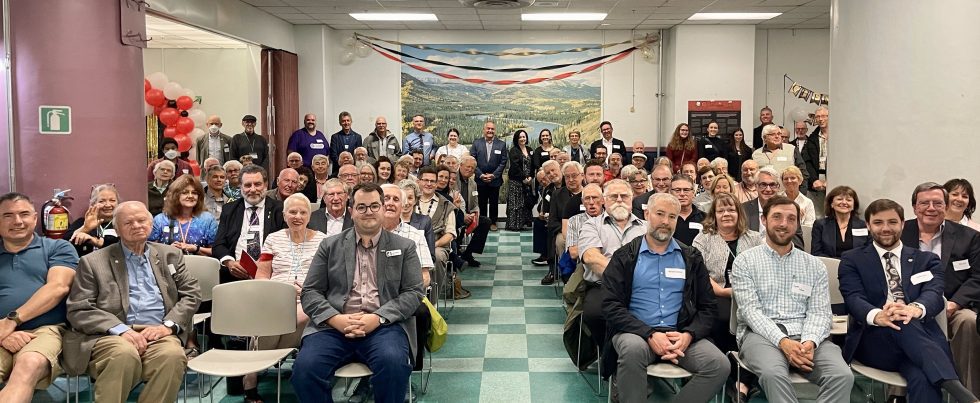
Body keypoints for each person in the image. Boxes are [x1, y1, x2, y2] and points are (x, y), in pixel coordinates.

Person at [291, 183, 424, 403]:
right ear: (351, 211)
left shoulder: (404, 247)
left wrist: (378, 318)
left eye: (374, 206)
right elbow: (310, 292)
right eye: (361, 207)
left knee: (394, 366)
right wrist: (336, 319)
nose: (368, 212)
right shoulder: (329, 246)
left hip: (384, 327)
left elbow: (413, 292)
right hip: (333, 327)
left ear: (383, 209)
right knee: (304, 371)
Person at [839, 198, 980, 403]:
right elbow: (853, 297)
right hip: (874, 342)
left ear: (903, 224)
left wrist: (914, 309)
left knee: (924, 378)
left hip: (919, 343)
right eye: (878, 222)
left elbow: (934, 293)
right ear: (868, 225)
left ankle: (953, 387)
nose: (886, 228)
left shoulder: (926, 260)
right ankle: (959, 391)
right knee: (899, 318)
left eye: (892, 222)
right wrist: (878, 315)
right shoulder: (852, 260)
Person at [64, 201, 200, 403]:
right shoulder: (93, 262)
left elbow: (191, 294)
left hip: (158, 331)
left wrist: (168, 327)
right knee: (122, 354)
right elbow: (79, 309)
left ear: (151, 224)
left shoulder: (169, 255)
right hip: (111, 335)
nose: (137, 225)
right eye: (128, 222)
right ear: (117, 230)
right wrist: (120, 330)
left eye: (142, 220)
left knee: (172, 356)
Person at [602, 192, 729, 403]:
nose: (665, 221)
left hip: (680, 334)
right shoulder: (625, 257)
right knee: (632, 351)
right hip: (636, 333)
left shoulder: (691, 257)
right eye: (660, 214)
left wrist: (688, 335)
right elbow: (609, 305)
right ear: (646, 214)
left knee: (719, 364)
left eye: (672, 217)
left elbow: (708, 307)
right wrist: (649, 334)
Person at [731, 196, 854, 403]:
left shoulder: (814, 266)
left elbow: (820, 312)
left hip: (807, 336)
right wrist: (783, 342)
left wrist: (809, 342)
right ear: (764, 220)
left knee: (841, 375)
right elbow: (751, 313)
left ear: (798, 223)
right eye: (777, 217)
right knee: (774, 375)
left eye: (791, 219)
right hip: (761, 336)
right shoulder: (745, 261)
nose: (783, 224)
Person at [244, 193, 327, 402]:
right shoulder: (273, 239)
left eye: (302, 212)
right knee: (274, 318)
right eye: (292, 212)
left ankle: (253, 370)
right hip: (276, 298)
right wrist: (274, 293)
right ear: (284, 215)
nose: (297, 216)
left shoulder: (323, 241)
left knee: (286, 320)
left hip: (308, 300)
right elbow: (261, 276)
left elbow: (329, 279)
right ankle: (260, 368)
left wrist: (309, 292)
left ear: (310, 215)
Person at [901, 182, 980, 397]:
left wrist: (955, 304)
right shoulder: (899, 231)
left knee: (969, 322)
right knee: (900, 322)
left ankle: (967, 391)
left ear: (945, 206)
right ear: (915, 207)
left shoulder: (969, 236)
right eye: (924, 203)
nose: (931, 208)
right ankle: (898, 392)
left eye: (937, 203)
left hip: (953, 305)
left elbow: (977, 277)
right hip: (908, 306)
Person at [0, 193, 77, 403]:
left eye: (24, 214)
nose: (17, 221)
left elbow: (58, 288)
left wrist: (12, 321)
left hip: (46, 330)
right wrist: (5, 331)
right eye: (8, 215)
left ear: (35, 219)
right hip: (0, 330)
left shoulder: (58, 247)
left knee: (28, 365)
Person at [692, 192, 763, 400]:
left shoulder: (754, 238)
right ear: (713, 215)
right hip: (716, 294)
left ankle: (743, 382)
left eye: (731, 209)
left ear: (739, 213)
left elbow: (763, 269)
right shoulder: (704, 238)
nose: (726, 214)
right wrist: (723, 291)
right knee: (722, 319)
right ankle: (733, 377)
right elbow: (699, 272)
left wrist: (743, 291)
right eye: (720, 210)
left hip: (750, 295)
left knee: (753, 322)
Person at [579, 179, 648, 352]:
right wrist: (626, 276)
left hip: (642, 288)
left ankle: (638, 352)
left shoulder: (646, 228)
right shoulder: (592, 225)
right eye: (613, 196)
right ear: (604, 200)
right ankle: (609, 354)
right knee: (594, 314)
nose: (619, 200)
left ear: (631, 199)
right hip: (603, 286)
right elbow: (591, 257)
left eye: (624, 196)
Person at [212, 164, 286, 284]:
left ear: (266, 185)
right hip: (234, 275)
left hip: (271, 275)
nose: (252, 189)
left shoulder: (280, 210)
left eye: (257, 184)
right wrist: (230, 262)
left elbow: (285, 245)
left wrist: (265, 265)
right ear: (240, 187)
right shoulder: (229, 209)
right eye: (247, 185)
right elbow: (219, 244)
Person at [417, 167, 465, 300]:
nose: (429, 184)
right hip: (411, 245)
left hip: (438, 244)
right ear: (418, 181)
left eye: (433, 181)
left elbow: (450, 234)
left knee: (437, 256)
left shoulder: (446, 205)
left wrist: (432, 245)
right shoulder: (411, 202)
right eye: (425, 180)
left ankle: (431, 301)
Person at [149, 174, 218, 257]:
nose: (190, 196)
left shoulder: (207, 219)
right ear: (175, 196)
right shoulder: (160, 220)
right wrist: (168, 250)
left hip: (200, 266)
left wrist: (196, 248)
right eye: (185, 193)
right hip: (168, 266)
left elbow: (216, 251)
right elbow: (150, 250)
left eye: (194, 193)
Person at [742, 166, 804, 249]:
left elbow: (798, 246)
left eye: (772, 185)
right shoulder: (743, 209)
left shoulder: (790, 210)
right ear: (756, 186)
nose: (768, 189)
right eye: (763, 185)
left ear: (778, 188)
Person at [810, 185, 868, 258]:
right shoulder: (820, 225)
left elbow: (868, 253)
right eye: (839, 199)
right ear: (832, 204)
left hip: (856, 268)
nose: (844, 202)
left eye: (848, 200)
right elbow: (816, 253)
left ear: (854, 205)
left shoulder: (863, 226)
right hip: (829, 266)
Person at [470, 120, 507, 231]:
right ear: (484, 130)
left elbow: (503, 161)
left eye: (492, 129)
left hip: (494, 180)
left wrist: (493, 175)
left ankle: (493, 222)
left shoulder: (501, 144)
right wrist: (481, 175)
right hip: (480, 180)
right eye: (488, 128)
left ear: (495, 131)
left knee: (494, 202)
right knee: (481, 201)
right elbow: (472, 160)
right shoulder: (477, 143)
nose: (490, 131)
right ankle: (483, 222)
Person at [64, 184, 120, 257]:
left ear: (118, 203)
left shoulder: (122, 223)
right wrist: (85, 229)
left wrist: (96, 241)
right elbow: (65, 244)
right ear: (93, 204)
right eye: (102, 201)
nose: (108, 205)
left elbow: (123, 245)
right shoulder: (82, 222)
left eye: (112, 200)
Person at [456, 156, 491, 267]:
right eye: (468, 166)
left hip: (469, 214)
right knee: (458, 224)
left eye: (472, 168)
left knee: (485, 222)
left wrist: (475, 215)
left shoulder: (473, 183)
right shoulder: (452, 180)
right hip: (456, 213)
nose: (470, 169)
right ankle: (455, 253)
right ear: (460, 166)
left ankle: (468, 253)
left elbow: (475, 204)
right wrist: (463, 215)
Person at [506, 129, 533, 231]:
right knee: (515, 203)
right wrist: (523, 178)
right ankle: (513, 225)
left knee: (524, 202)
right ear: (516, 139)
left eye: (524, 136)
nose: (522, 139)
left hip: (527, 181)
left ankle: (523, 223)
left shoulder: (530, 149)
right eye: (520, 137)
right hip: (516, 181)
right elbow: (515, 166)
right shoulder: (514, 150)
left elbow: (533, 165)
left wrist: (530, 177)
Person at [803, 107, 829, 208]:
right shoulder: (812, 138)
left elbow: (842, 162)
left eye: (823, 116)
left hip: (834, 180)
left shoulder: (839, 137)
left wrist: (832, 180)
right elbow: (807, 161)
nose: (820, 119)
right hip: (816, 181)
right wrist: (814, 179)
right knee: (816, 214)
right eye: (818, 117)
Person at [669, 174, 705, 246]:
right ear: (670, 192)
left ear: (693, 192)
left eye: (686, 190)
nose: (682, 194)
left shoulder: (705, 218)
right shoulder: (664, 218)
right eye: (677, 190)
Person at [329, 111, 362, 176]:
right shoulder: (335, 137)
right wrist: (342, 164)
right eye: (343, 121)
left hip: (353, 171)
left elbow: (358, 155)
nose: (346, 123)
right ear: (340, 123)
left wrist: (349, 165)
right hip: (338, 171)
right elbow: (333, 155)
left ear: (351, 122)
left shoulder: (357, 137)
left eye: (348, 120)